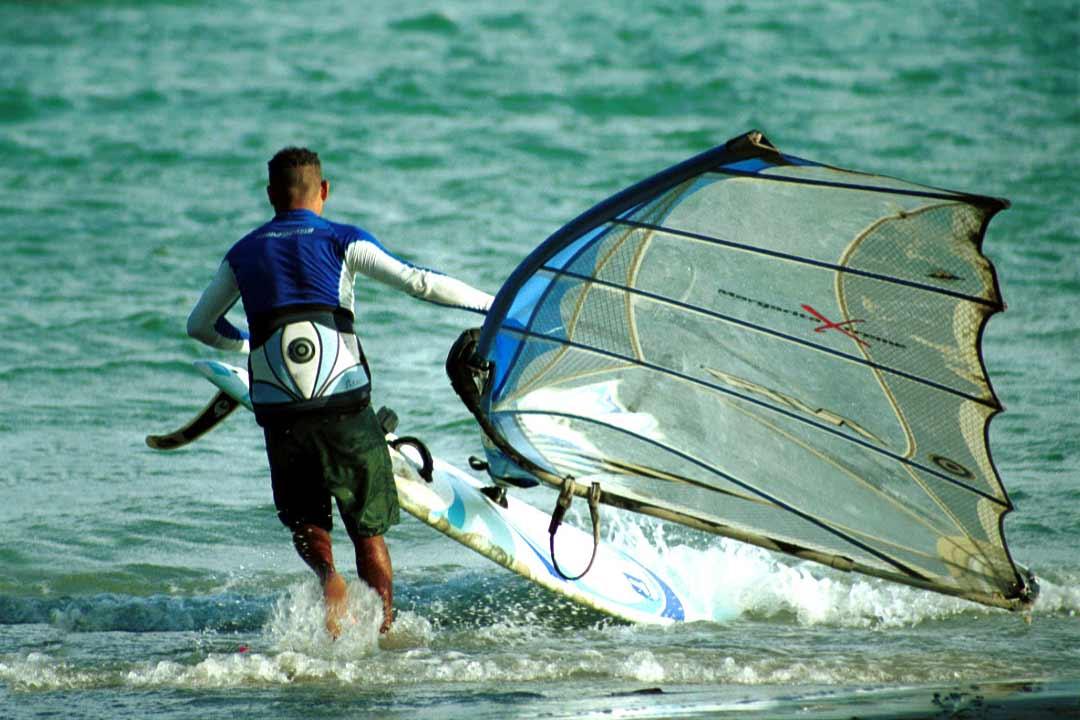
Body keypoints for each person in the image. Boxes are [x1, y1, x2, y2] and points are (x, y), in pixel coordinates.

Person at [187, 147, 493, 637]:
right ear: (323, 190)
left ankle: (329, 579)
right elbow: (419, 282)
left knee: (308, 518)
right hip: (344, 405)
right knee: (367, 530)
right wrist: (493, 306)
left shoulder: (242, 253)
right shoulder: (342, 240)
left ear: (271, 196)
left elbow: (200, 325)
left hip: (279, 409)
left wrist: (247, 341)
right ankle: (384, 631)